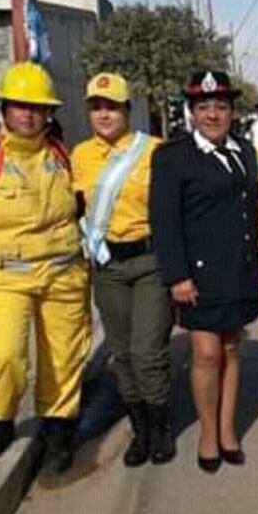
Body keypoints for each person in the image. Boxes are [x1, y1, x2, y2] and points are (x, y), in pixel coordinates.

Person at [0, 62, 91, 474]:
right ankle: (0, 421)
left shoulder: (61, 155)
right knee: (4, 356)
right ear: (4, 108)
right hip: (6, 277)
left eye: (37, 107)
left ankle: (59, 427)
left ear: (49, 113)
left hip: (65, 275)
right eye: (20, 106)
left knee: (63, 357)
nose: (28, 114)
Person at [150, 70, 258, 474]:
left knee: (232, 349)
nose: (213, 114)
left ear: (231, 110)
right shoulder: (172, 156)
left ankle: (229, 430)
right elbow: (164, 221)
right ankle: (208, 433)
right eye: (204, 107)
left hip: (240, 268)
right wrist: (176, 276)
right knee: (207, 352)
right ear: (192, 112)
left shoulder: (244, 151)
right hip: (198, 274)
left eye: (220, 106)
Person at [71, 72, 173, 467]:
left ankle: (161, 426)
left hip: (149, 263)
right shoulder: (78, 156)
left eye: (111, 106)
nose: (104, 114)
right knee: (122, 353)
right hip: (107, 265)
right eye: (96, 107)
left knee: (147, 351)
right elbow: (72, 209)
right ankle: (140, 429)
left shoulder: (154, 151)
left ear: (127, 110)